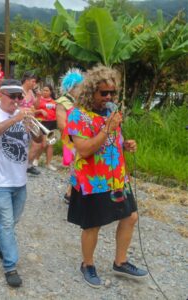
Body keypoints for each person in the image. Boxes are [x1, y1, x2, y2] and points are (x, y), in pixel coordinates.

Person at [67, 64, 148, 288]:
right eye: (104, 93)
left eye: (112, 92)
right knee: (93, 225)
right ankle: (87, 264)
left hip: (117, 177)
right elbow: (83, 149)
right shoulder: (78, 115)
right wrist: (107, 129)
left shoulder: (112, 112)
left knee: (130, 217)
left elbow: (114, 141)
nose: (109, 97)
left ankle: (120, 261)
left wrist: (126, 145)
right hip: (93, 180)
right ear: (91, 91)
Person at [0, 79, 42, 287]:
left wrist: (33, 126)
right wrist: (14, 119)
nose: (17, 100)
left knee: (12, 221)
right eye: (12, 96)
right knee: (6, 223)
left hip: (20, 178)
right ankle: (10, 266)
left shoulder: (23, 115)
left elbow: (40, 141)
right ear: (0, 95)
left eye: (19, 97)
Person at [55, 68, 84, 203]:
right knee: (75, 166)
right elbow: (62, 124)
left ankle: (72, 191)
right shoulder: (62, 102)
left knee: (80, 166)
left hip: (83, 138)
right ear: (71, 87)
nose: (81, 89)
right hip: (71, 139)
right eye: (78, 86)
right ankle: (70, 193)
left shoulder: (81, 101)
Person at [20, 71, 41, 176]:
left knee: (37, 144)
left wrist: (39, 96)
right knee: (22, 144)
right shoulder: (19, 90)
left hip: (30, 121)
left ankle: (27, 165)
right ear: (27, 80)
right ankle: (21, 166)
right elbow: (15, 105)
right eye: (33, 81)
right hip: (20, 122)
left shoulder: (31, 92)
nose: (34, 84)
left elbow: (35, 105)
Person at [34, 84, 58, 171]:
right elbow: (34, 111)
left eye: (47, 90)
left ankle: (48, 163)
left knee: (51, 144)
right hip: (42, 123)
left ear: (51, 92)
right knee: (44, 143)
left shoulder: (55, 102)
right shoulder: (39, 100)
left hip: (53, 123)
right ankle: (36, 159)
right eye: (43, 90)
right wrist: (40, 110)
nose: (45, 92)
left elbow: (57, 112)